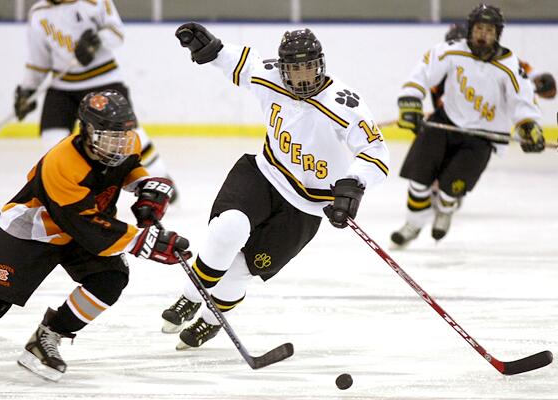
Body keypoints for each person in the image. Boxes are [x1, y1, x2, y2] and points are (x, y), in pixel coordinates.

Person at [159, 24, 390, 349]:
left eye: (308, 67)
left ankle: (211, 321)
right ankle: (191, 296)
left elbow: (375, 152)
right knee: (228, 229)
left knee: (241, 269)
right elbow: (244, 63)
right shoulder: (270, 77)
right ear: (282, 68)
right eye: (294, 69)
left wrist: (353, 185)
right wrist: (213, 49)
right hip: (264, 175)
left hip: (307, 206)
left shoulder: (344, 104)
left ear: (320, 64)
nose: (302, 77)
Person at [0, 89, 191, 381]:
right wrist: (142, 241)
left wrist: (146, 187)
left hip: (80, 230)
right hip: (32, 232)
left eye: (122, 135)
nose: (118, 144)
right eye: (109, 136)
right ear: (87, 130)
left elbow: (129, 168)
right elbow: (85, 225)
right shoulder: (62, 163)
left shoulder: (128, 141)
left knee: (109, 280)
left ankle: (47, 337)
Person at [390, 4, 545, 247]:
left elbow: (522, 98)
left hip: (482, 136)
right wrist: (411, 99)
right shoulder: (452, 51)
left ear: (497, 34)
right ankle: (413, 224)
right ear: (471, 29)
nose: (483, 34)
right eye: (479, 28)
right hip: (445, 122)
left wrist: (528, 125)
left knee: (450, 190)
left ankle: (445, 208)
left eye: (489, 30)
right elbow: (423, 71)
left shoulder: (509, 65)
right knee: (418, 180)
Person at [13, 0, 179, 202]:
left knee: (128, 136)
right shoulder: (38, 13)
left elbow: (117, 33)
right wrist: (27, 89)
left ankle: (160, 179)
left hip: (103, 80)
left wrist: (97, 40)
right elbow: (38, 61)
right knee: (52, 138)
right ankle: (68, 188)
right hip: (62, 87)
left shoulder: (93, 2)